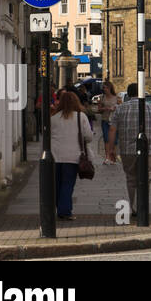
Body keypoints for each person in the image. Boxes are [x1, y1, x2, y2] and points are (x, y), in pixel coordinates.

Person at [105, 84, 151, 218]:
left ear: (128, 94)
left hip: (127, 150)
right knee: (146, 177)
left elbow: (112, 129)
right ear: (141, 93)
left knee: (131, 178)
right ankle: (142, 205)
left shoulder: (120, 109)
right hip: (148, 149)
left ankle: (133, 207)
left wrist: (111, 149)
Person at [49, 89, 94, 220]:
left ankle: (60, 207)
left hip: (55, 156)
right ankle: (64, 211)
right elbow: (89, 137)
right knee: (68, 184)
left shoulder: (53, 118)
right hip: (73, 156)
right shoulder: (81, 117)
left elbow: (48, 136)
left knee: (57, 184)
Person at [97, 81, 119, 154]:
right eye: (103, 88)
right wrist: (105, 109)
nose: (104, 89)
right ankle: (107, 157)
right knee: (106, 139)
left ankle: (113, 156)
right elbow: (99, 110)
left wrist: (115, 109)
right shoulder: (101, 97)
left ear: (110, 88)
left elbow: (120, 109)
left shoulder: (117, 98)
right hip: (105, 120)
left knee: (115, 140)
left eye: (105, 88)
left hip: (114, 121)